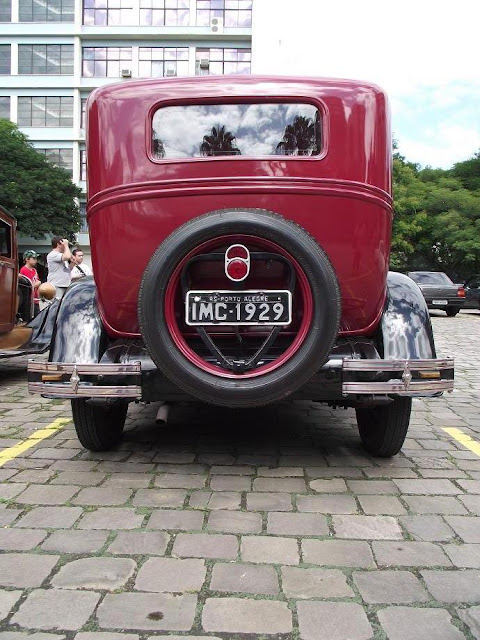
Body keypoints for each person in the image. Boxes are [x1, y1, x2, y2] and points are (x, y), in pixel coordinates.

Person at [19, 250, 41, 316]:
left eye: (36, 259)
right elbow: (25, 285)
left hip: (35, 297)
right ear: (27, 259)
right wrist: (35, 284)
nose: (36, 260)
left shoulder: (34, 270)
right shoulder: (23, 270)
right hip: (29, 298)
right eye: (33, 258)